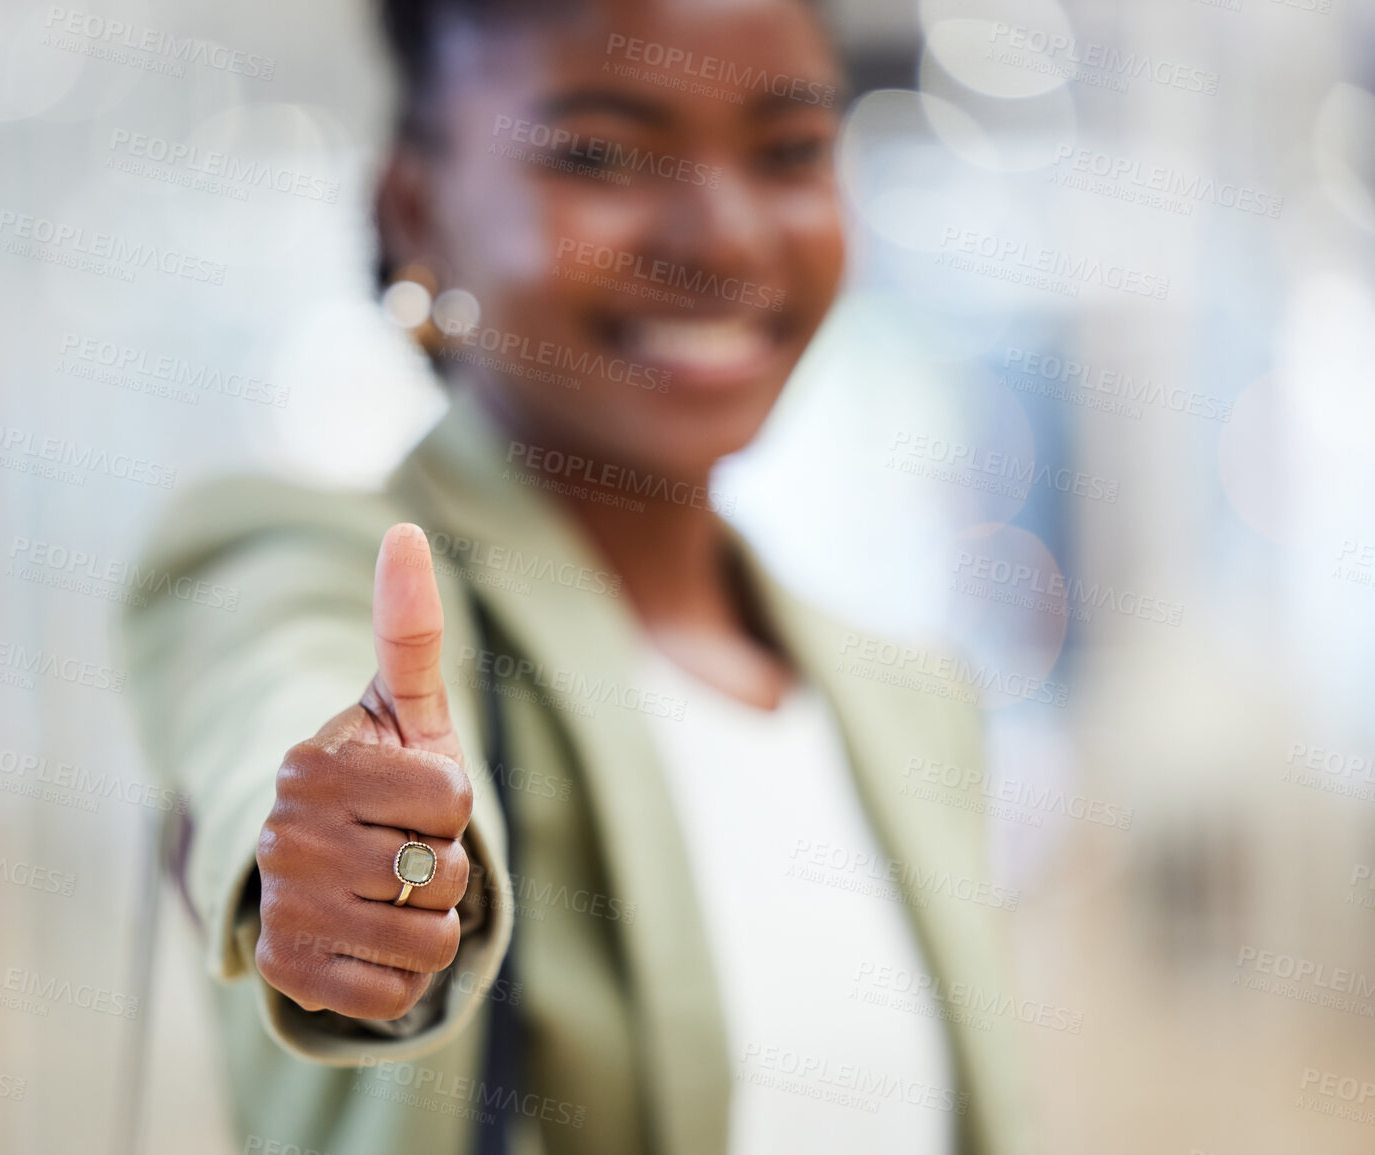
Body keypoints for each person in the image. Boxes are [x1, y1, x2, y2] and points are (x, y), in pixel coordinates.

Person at [125, 0, 1031, 1152]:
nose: (725, 238)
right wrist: (339, 858)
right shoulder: (300, 566)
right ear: (416, 210)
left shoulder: (914, 700)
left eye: (791, 151)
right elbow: (271, 699)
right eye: (601, 155)